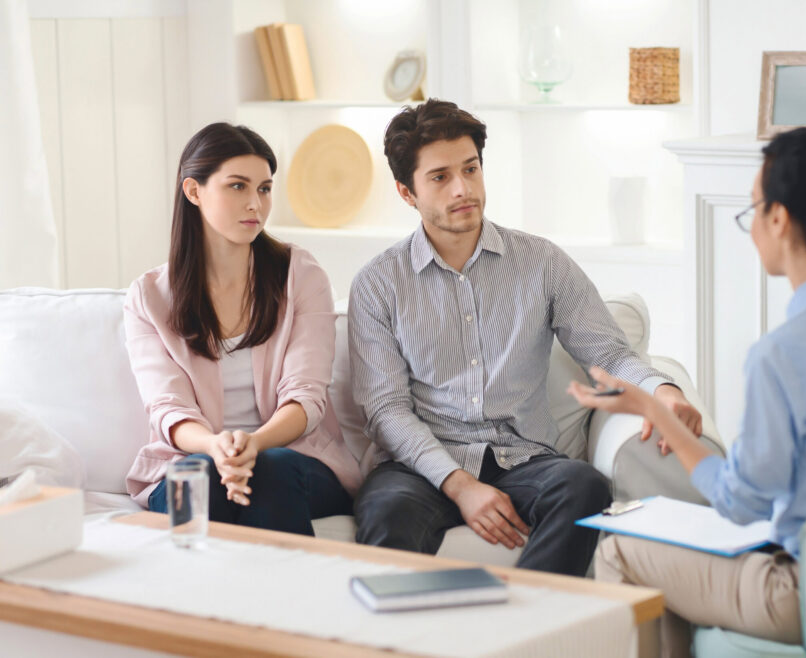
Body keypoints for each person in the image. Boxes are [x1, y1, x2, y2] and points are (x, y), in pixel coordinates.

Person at [569, 127, 806, 655]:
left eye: (752, 211)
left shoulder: (783, 354)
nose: (750, 230)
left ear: (779, 219)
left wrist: (660, 414)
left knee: (621, 551)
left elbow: (741, 501)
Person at [347, 98, 703, 576]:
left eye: (470, 169)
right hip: (421, 467)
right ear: (406, 192)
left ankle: (530, 623)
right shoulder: (377, 285)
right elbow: (387, 410)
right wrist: (459, 484)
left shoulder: (542, 262)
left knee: (585, 488)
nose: (462, 189)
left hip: (525, 460)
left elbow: (610, 352)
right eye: (440, 177)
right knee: (384, 512)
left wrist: (664, 392)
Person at [123, 122, 363, 535]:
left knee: (271, 468)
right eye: (237, 187)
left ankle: (276, 599)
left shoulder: (300, 276)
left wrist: (254, 445)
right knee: (199, 476)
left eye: (265, 189)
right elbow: (168, 408)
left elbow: (306, 396)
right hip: (196, 458)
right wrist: (217, 448)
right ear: (194, 191)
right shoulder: (149, 297)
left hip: (294, 459)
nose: (256, 203)